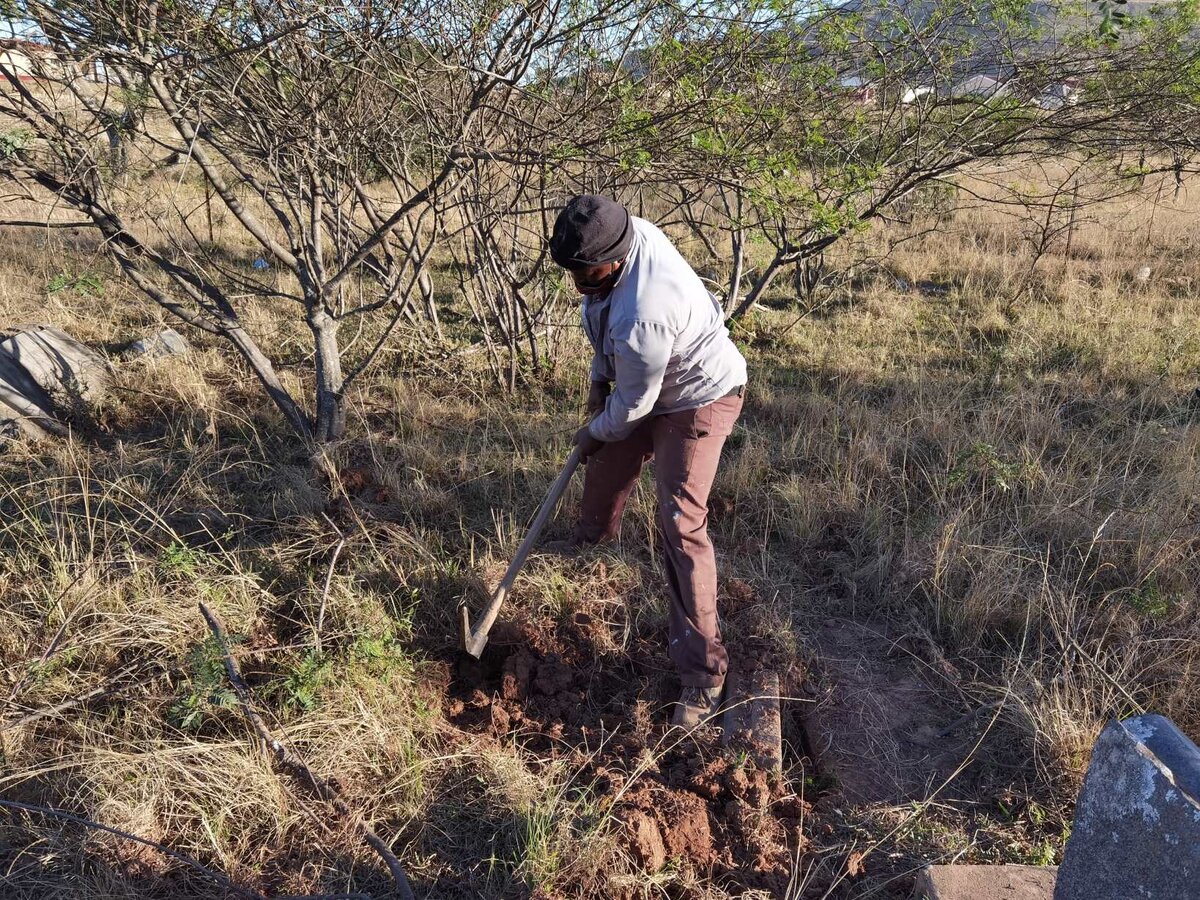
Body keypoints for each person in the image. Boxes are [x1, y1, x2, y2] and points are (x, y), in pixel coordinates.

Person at [546, 194, 748, 728]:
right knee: (607, 466)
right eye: (572, 273)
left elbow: (633, 403)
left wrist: (594, 428)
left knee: (681, 525)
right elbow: (602, 320)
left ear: (616, 256)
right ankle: (590, 544)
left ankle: (704, 674)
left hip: (700, 396)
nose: (579, 284)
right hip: (651, 377)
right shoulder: (625, 235)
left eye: (588, 274)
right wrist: (597, 381)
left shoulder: (645, 314)